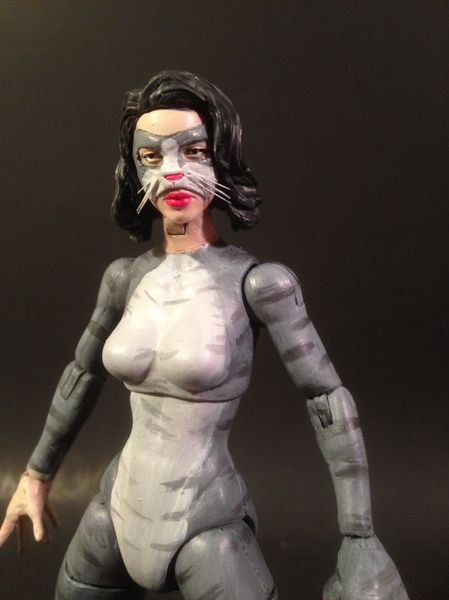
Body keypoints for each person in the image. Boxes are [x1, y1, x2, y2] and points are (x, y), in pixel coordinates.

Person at [0, 71, 409, 600]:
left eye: (193, 151)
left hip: (206, 525)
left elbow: (327, 400)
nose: (172, 172)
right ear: (135, 171)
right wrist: (35, 475)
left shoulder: (261, 285)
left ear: (221, 159)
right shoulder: (124, 279)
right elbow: (81, 376)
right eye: (151, 157)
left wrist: (359, 535)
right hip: (113, 513)